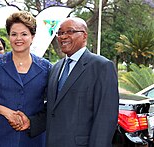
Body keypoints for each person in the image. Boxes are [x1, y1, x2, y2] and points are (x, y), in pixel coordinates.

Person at [17, 17, 119, 147]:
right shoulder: (56, 68)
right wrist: (31, 123)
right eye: (60, 33)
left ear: (84, 36)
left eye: (69, 31)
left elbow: (105, 117)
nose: (63, 37)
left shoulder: (101, 67)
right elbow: (53, 109)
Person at [0, 11, 52, 147]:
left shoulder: (46, 67)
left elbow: (52, 103)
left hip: (32, 139)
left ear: (32, 37)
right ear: (9, 36)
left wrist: (32, 121)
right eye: (14, 34)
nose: (18, 38)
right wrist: (7, 112)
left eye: (24, 34)